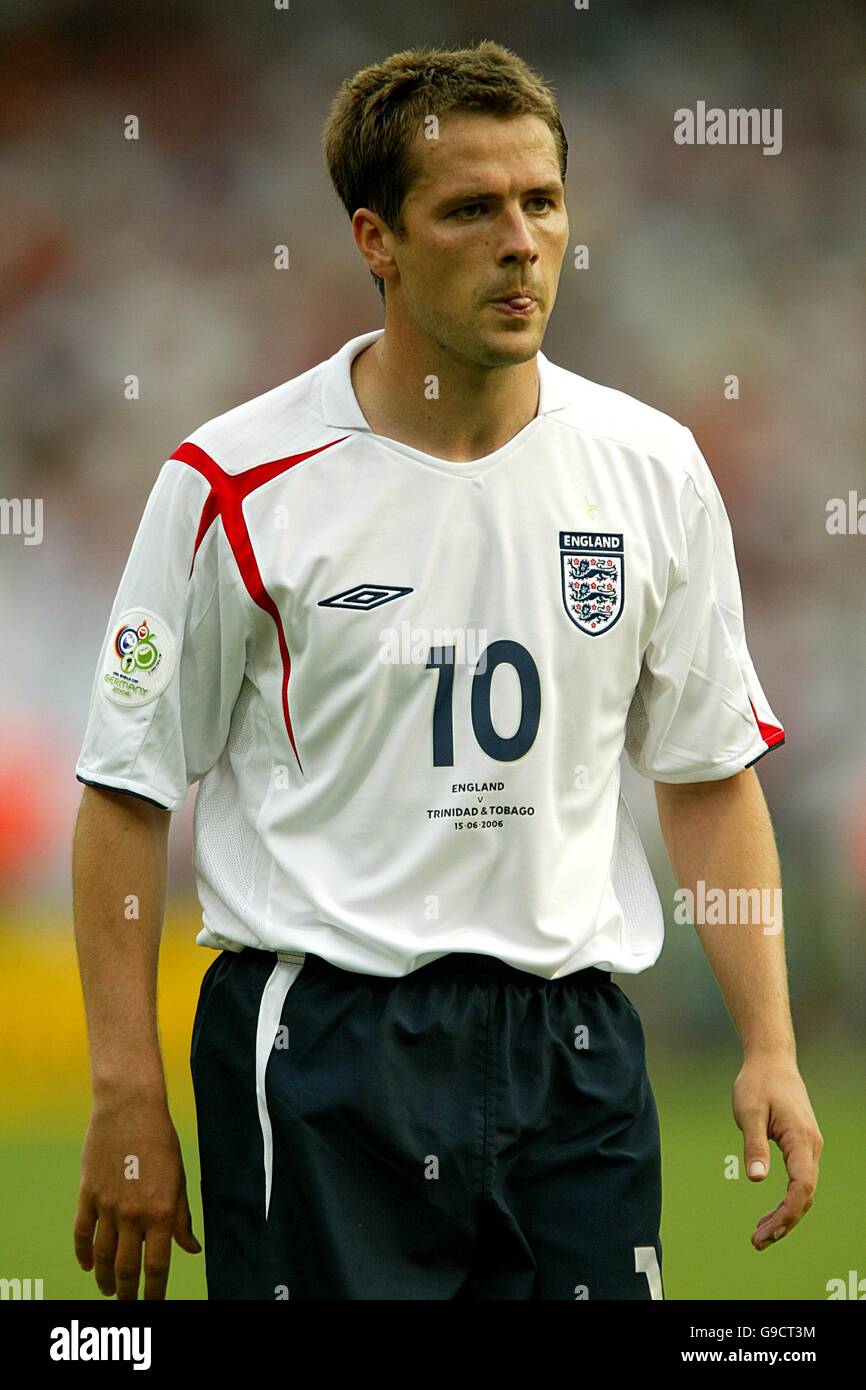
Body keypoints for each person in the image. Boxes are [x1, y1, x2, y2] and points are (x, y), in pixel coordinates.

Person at [72, 40, 822, 1301]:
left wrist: (769, 1043)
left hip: (573, 1054)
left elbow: (705, 775)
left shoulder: (652, 469)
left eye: (540, 201)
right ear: (376, 239)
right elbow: (125, 793)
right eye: (469, 208)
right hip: (323, 1053)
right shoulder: (229, 485)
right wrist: (126, 1090)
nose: (520, 240)